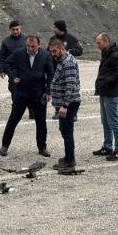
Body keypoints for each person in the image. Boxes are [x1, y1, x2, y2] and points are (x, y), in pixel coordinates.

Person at [0, 35, 53, 158]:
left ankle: (42, 147)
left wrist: (48, 91)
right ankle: (4, 146)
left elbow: (51, 74)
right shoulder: (19, 53)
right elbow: (7, 63)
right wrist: (13, 76)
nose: (30, 48)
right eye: (28, 46)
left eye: (33, 46)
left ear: (38, 45)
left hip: (38, 92)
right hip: (21, 92)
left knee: (41, 122)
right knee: (13, 120)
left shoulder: (45, 55)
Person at [47, 38, 82, 171]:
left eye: (55, 51)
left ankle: (69, 160)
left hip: (69, 103)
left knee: (67, 132)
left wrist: (65, 105)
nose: (53, 54)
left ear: (62, 49)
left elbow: (71, 85)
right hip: (64, 103)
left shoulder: (68, 62)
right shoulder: (62, 61)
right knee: (64, 130)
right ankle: (68, 157)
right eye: (51, 52)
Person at [92, 33, 118, 160]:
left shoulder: (115, 55)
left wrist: (107, 81)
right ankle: (107, 146)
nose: (97, 45)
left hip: (111, 93)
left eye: (99, 43)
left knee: (113, 122)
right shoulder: (106, 53)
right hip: (104, 92)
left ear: (106, 42)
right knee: (105, 121)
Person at [0, 20, 26, 88]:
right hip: (12, 70)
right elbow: (2, 56)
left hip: (26, 69)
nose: (15, 31)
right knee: (14, 89)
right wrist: (1, 70)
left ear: (20, 28)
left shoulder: (27, 39)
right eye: (13, 30)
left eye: (17, 29)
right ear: (10, 30)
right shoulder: (5, 42)